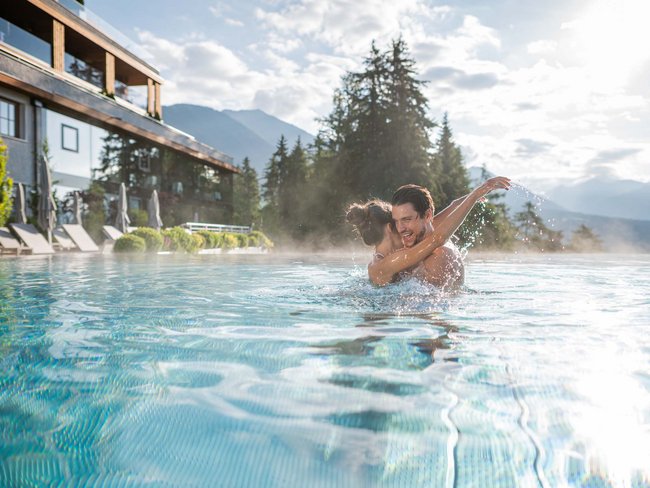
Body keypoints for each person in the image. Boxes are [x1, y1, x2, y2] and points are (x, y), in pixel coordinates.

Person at [346, 177, 511, 287]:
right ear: (391, 228)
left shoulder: (413, 237)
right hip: (381, 320)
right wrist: (476, 194)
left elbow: (449, 209)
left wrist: (479, 192)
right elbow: (437, 239)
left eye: (406, 220)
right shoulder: (384, 264)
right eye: (397, 222)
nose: (402, 229)